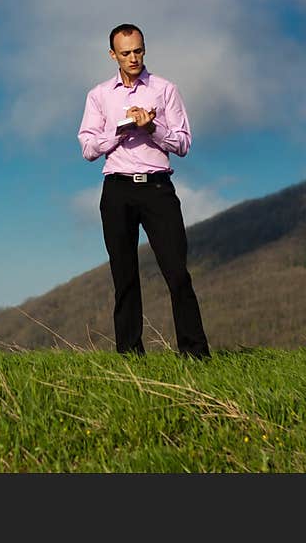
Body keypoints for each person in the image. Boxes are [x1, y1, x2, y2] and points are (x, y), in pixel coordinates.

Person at [77, 23, 210, 359]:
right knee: (124, 276)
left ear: (144, 49)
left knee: (177, 273)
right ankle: (130, 356)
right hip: (117, 190)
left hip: (157, 189)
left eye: (138, 50)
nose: (134, 58)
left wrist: (150, 127)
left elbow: (182, 143)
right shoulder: (99, 95)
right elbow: (89, 148)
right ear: (113, 55)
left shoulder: (165, 90)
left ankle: (195, 354)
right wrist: (121, 131)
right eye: (126, 53)